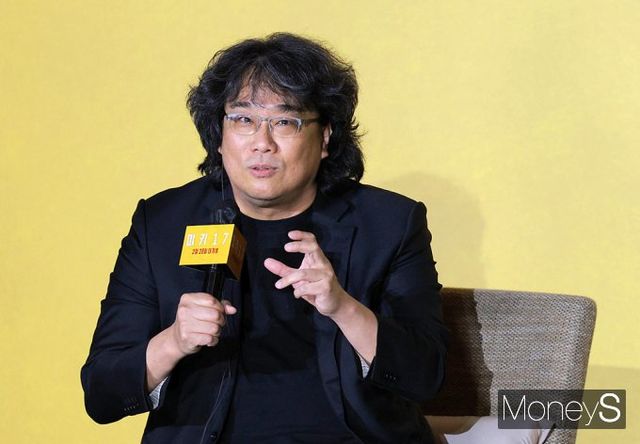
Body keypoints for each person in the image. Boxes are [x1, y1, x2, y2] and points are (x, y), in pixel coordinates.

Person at [81, 33, 448, 443]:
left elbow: (425, 378)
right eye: (243, 120)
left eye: (285, 122)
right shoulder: (163, 223)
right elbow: (102, 394)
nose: (262, 143)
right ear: (219, 135)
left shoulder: (389, 224)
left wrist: (343, 307)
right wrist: (175, 340)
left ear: (325, 137)